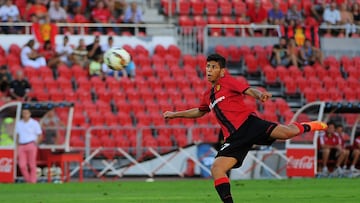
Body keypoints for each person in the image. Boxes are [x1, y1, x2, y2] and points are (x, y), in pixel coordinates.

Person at [163, 53, 328, 203]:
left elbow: (248, 90)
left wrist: (259, 95)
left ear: (222, 71)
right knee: (217, 168)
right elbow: (199, 111)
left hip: (249, 125)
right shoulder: (207, 95)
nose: (209, 70)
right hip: (234, 138)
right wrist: (175, 114)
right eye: (207, 66)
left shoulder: (227, 81)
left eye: (213, 67)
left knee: (287, 133)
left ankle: (311, 125)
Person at [16, 109, 42, 183]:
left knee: (32, 164)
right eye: (24, 113)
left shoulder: (34, 123)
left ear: (30, 114)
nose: (25, 115)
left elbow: (39, 134)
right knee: (22, 165)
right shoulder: (19, 123)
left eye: (26, 113)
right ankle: (28, 179)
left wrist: (36, 143)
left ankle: (33, 180)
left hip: (31, 144)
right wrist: (17, 144)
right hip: (21, 144)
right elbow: (18, 134)